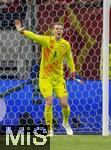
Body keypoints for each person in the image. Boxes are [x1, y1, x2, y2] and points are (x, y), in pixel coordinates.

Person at [15, 20, 76, 137]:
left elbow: (69, 57)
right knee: (49, 101)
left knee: (64, 103)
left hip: (58, 79)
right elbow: (34, 36)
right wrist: (22, 32)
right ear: (53, 31)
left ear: (63, 31)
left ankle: (66, 123)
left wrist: (72, 69)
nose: (59, 31)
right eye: (57, 29)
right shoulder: (46, 40)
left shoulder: (65, 44)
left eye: (60, 29)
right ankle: (49, 129)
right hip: (45, 78)